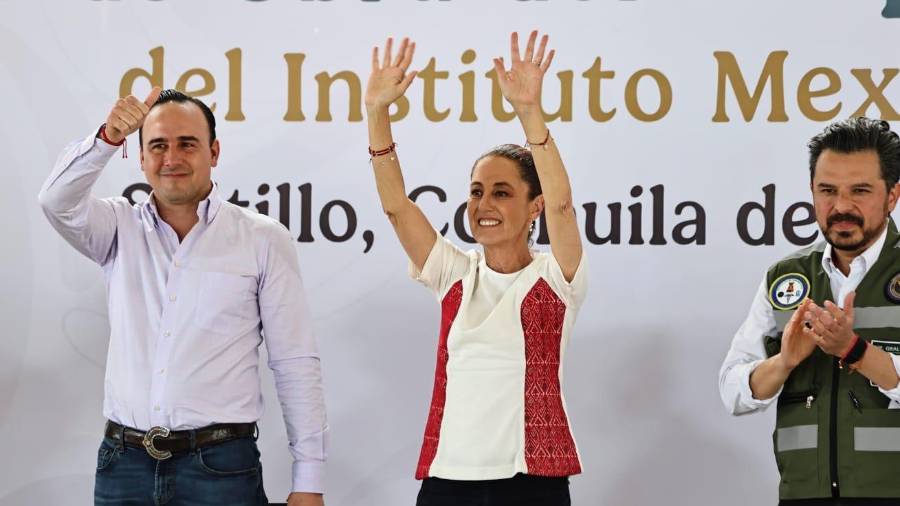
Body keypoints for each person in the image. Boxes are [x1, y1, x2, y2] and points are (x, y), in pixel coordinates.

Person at [38, 88, 327, 506]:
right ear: (140, 158)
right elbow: (55, 201)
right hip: (124, 467)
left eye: (187, 144)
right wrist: (107, 138)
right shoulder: (117, 227)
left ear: (214, 151)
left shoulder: (262, 238)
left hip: (221, 468)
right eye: (157, 145)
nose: (171, 158)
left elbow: (295, 362)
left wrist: (309, 480)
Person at [364, 32, 586, 506]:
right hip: (447, 480)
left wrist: (530, 113)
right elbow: (396, 207)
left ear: (534, 207)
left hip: (532, 482)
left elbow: (564, 206)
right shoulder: (454, 274)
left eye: (502, 192)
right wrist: (377, 113)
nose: (483, 204)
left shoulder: (555, 276)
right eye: (477, 191)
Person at [719, 117, 900, 505]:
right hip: (804, 495)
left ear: (892, 195)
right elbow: (733, 390)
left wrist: (854, 351)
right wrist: (783, 362)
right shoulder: (786, 277)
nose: (841, 207)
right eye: (828, 191)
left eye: (861, 191)